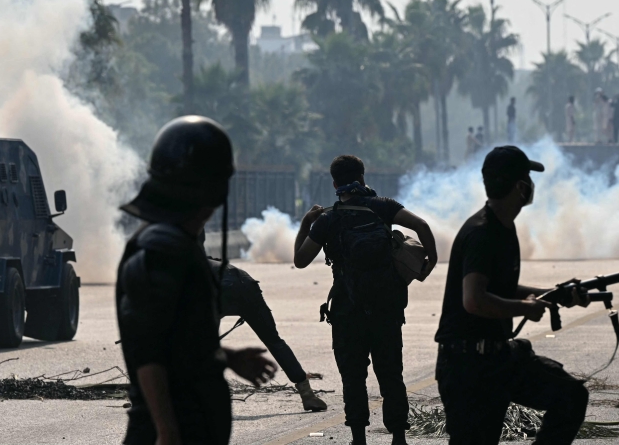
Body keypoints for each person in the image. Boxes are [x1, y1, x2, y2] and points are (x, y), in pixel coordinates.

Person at [116, 117, 278, 445]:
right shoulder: (163, 247)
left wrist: (226, 357)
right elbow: (149, 351)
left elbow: (177, 340)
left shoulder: (176, 242)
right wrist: (168, 432)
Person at [435, 146, 590, 445]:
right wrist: (523, 308)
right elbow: (474, 300)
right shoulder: (482, 233)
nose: (532, 185)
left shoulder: (504, 228)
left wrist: (557, 295)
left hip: (497, 359)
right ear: (521, 187)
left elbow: (500, 289)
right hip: (467, 367)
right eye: (528, 178)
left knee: (571, 396)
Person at [294, 156, 439, 445]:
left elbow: (300, 260)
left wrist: (305, 223)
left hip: (347, 310)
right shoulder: (383, 206)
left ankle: (359, 438)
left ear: (335, 184)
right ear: (362, 177)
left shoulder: (328, 219)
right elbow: (421, 225)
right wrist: (430, 262)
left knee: (353, 376)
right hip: (386, 306)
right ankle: (398, 437)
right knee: (391, 374)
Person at [211, 259, 327, 412]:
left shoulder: (179, 266)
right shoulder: (195, 258)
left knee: (207, 344)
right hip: (246, 284)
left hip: (219, 289)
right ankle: (308, 395)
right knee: (274, 341)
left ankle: (206, 397)